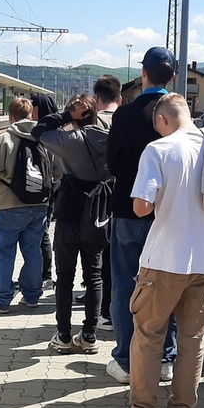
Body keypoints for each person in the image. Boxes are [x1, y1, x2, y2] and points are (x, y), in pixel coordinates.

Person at [107, 94, 204, 408]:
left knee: (149, 335)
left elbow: (141, 206)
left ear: (162, 121)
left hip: (165, 260)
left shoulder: (159, 150)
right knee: (193, 339)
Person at [105, 47, 178, 385]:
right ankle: (164, 358)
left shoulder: (125, 114)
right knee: (167, 288)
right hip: (170, 214)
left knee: (125, 287)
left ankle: (125, 359)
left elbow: (114, 165)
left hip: (128, 210)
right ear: (173, 76)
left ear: (144, 74)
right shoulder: (181, 114)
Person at [32, 94, 110, 355]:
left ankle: (63, 335)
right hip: (98, 215)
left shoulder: (70, 140)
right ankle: (89, 335)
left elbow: (38, 130)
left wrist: (66, 117)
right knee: (95, 275)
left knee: (65, 277)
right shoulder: (109, 138)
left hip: (69, 214)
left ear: (77, 115)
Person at [0, 97, 56, 314]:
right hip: (39, 206)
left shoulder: (4, 139)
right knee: (33, 251)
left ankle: (1, 300)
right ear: (32, 114)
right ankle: (32, 297)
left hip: (7, 205)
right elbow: (57, 172)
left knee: (4, 252)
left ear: (10, 116)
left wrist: (5, 179)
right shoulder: (44, 139)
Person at [93, 75, 122, 332]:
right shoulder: (126, 122)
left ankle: (104, 311)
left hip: (95, 198)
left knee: (98, 258)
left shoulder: (93, 122)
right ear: (120, 98)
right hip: (124, 198)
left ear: (96, 99)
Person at [30, 93, 60, 290]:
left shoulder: (46, 134)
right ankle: (43, 274)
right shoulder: (55, 131)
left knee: (42, 234)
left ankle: (46, 275)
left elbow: (57, 169)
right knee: (42, 233)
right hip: (47, 190)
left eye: (33, 105)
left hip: (45, 192)